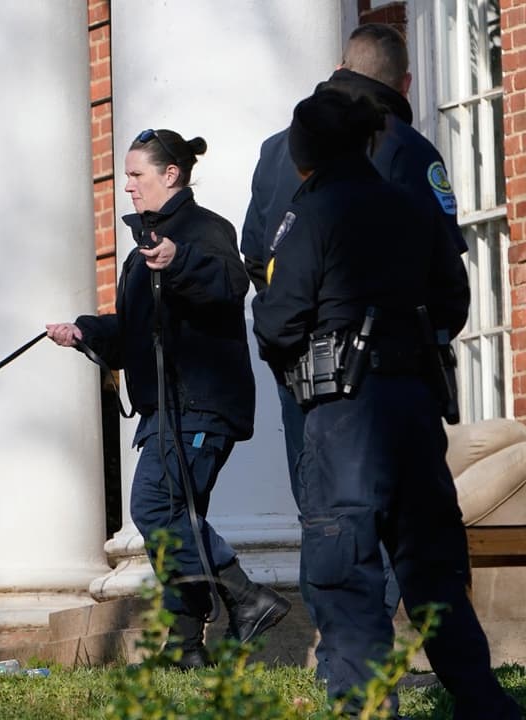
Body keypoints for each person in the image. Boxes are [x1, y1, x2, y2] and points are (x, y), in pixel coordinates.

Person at [252, 88, 520, 719]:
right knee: (432, 566)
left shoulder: (309, 213)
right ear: (370, 141)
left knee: (345, 566)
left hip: (345, 414)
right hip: (414, 405)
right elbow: (452, 304)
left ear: (303, 153)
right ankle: (482, 702)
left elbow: (277, 323)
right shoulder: (412, 208)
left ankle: (367, 706)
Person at [47, 128, 288, 668]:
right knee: (180, 519)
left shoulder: (204, 232)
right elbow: (140, 333)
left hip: (199, 405)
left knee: (157, 508)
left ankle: (247, 598)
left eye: (136, 174)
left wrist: (181, 261)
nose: (126, 185)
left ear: (170, 175)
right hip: (167, 408)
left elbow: (228, 286)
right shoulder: (146, 249)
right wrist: (85, 333)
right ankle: (184, 648)